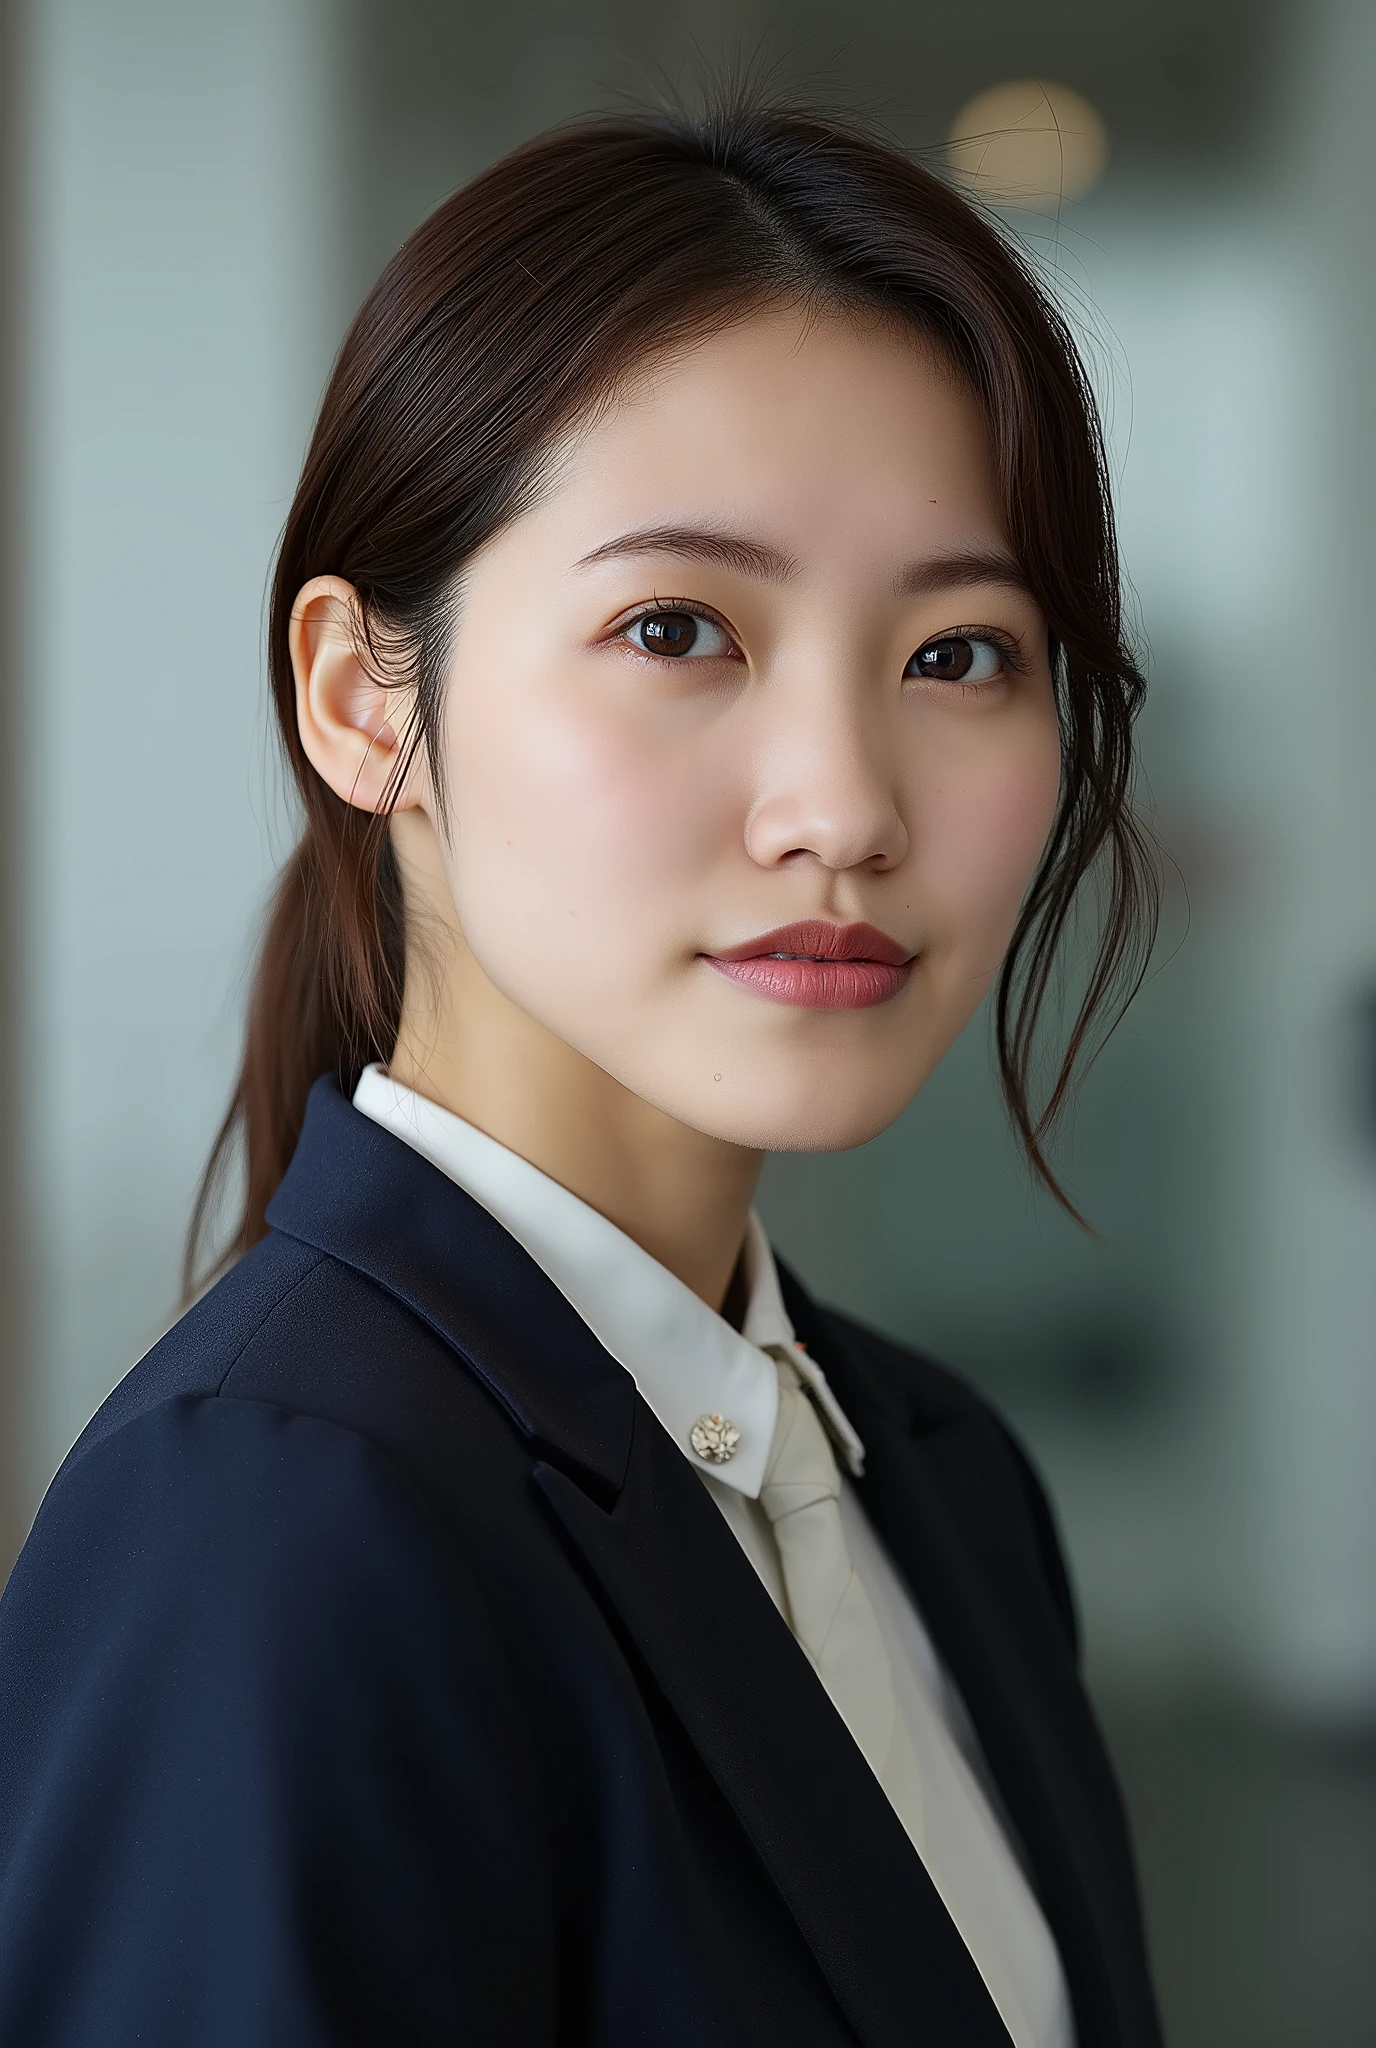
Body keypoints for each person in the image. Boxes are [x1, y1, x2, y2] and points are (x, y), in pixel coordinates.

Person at [0, 99, 1163, 2047]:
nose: (845, 808)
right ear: (369, 699)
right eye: (677, 627)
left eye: (957, 654)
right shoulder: (282, 1527)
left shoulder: (940, 1478)